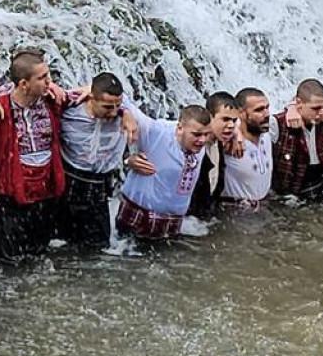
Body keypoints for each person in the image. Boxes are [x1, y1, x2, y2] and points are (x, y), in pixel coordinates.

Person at [0, 48, 68, 259]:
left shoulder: (52, 100)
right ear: (23, 84)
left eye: (48, 75)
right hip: (10, 197)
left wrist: (125, 113)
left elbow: (93, 95)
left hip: (45, 192)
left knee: (39, 255)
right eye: (42, 77)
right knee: (12, 259)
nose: (49, 81)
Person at [116, 104, 213, 240]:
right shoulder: (155, 132)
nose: (202, 140)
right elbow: (119, 100)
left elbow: (225, 121)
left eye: (206, 134)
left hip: (173, 223)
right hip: (139, 216)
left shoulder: (200, 138)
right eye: (197, 135)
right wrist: (125, 112)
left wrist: (237, 133)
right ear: (179, 128)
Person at [56, 72, 129, 248]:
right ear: (91, 98)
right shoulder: (69, 111)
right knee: (60, 245)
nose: (113, 112)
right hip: (69, 186)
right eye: (107, 107)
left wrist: (126, 112)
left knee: (98, 248)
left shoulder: (123, 115)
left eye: (117, 106)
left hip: (100, 190)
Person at [271, 78, 323, 200]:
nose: (322, 112)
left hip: (322, 184)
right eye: (315, 108)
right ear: (299, 103)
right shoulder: (278, 123)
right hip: (289, 191)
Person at [217, 87, 275, 209]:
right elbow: (204, 123)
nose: (267, 114)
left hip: (264, 206)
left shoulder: (267, 133)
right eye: (259, 110)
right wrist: (234, 131)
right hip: (235, 210)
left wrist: (292, 107)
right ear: (240, 113)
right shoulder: (227, 141)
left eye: (267, 107)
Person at [188, 92, 241, 218]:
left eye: (234, 120)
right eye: (225, 119)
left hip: (206, 218)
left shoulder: (219, 143)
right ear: (208, 117)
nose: (231, 125)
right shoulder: (191, 145)